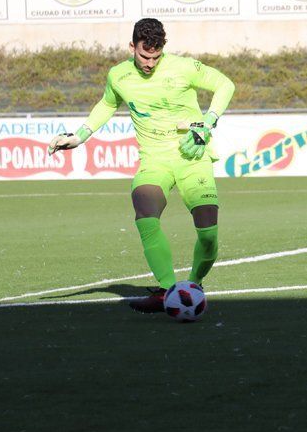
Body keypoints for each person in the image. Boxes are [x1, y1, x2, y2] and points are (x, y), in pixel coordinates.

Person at [48, 18, 235, 313]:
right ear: (132, 47)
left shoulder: (184, 67)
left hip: (193, 158)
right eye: (144, 56)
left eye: (156, 57)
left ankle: (194, 284)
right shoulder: (118, 76)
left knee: (208, 234)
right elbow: (108, 104)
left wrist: (209, 123)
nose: (149, 63)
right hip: (154, 160)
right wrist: (80, 136)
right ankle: (165, 289)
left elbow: (225, 84)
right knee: (144, 209)